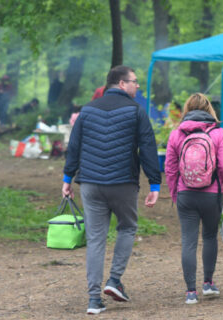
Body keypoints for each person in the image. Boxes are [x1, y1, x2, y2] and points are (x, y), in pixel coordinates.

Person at [61, 65, 161, 315]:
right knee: (127, 227)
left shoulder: (87, 110)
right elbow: (147, 147)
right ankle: (114, 280)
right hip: (123, 183)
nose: (137, 86)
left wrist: (67, 177)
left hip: (91, 184)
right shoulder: (136, 111)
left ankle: (94, 299)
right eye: (134, 82)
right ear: (120, 83)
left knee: (96, 239)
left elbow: (74, 145)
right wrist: (154, 183)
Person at [164, 93, 223, 304]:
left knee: (188, 241)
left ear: (187, 109)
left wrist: (175, 194)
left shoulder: (176, 133)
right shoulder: (217, 133)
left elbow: (170, 169)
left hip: (185, 193)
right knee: (209, 237)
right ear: (209, 109)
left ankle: (190, 292)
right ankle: (208, 283)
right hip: (211, 193)